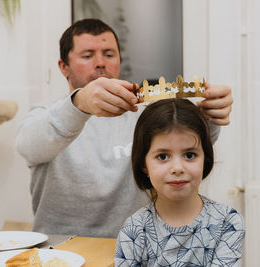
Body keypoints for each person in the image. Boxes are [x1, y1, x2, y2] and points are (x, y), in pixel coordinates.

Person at [15, 18, 234, 238]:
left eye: (109, 54)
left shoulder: (146, 116)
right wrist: (80, 103)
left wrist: (210, 117)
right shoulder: (46, 115)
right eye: (88, 55)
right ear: (64, 67)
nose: (100, 63)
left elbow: (193, 145)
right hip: (59, 250)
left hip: (134, 249)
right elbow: (28, 145)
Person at [114, 98, 244, 266]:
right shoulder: (133, 229)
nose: (177, 168)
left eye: (189, 155)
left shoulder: (228, 222)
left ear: (205, 158)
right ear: (144, 164)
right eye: (162, 156)